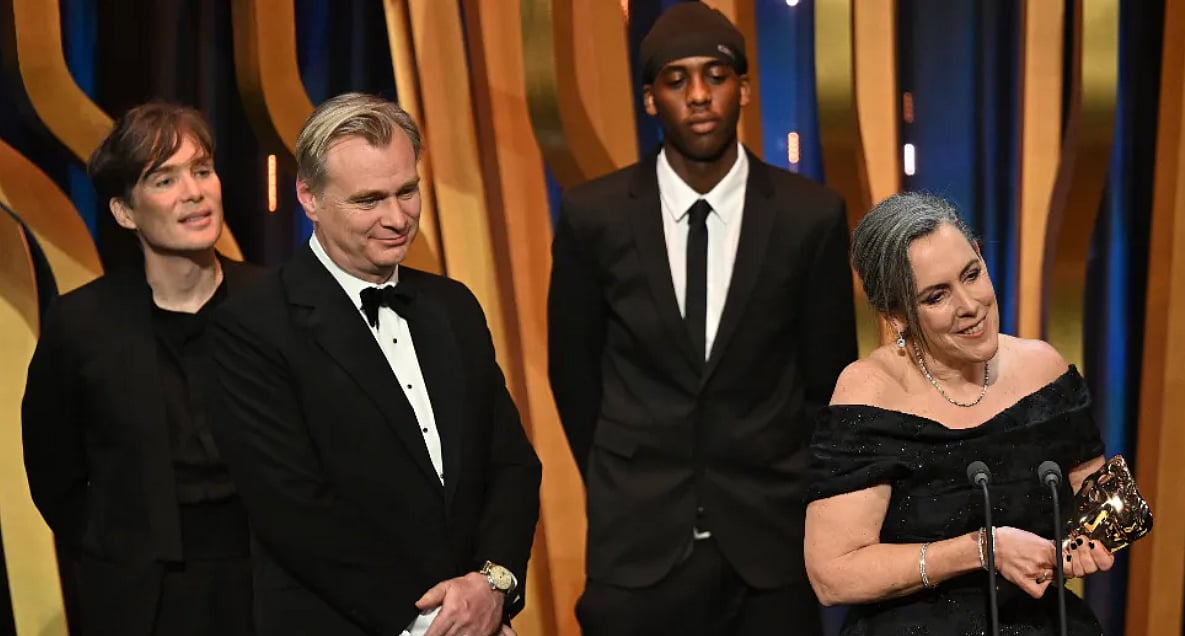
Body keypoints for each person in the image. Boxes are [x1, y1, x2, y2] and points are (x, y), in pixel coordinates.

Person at [547, 4, 857, 634]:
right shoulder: (593, 215)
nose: (697, 95)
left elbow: (828, 381)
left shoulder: (810, 216)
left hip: (770, 544)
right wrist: (620, 481)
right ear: (649, 98)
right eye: (676, 79)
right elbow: (573, 373)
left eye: (715, 76)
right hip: (636, 544)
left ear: (743, 89)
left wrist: (796, 490)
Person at [207, 92, 540, 636]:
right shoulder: (251, 328)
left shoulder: (453, 306)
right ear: (309, 197)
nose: (397, 218)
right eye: (369, 200)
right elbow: (295, 512)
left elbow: (511, 464)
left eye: (407, 191)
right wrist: (434, 624)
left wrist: (493, 584)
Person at [804, 192, 1114, 634]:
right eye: (936, 296)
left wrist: (1082, 543)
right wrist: (982, 550)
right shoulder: (869, 393)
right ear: (896, 315)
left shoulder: (1042, 369)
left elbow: (1097, 504)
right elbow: (833, 575)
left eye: (972, 274)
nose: (969, 305)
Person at [22, 102, 262, 636]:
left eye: (202, 170)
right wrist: (116, 548)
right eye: (164, 179)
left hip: (269, 592)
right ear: (125, 212)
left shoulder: (276, 306)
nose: (194, 192)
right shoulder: (82, 324)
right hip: (142, 601)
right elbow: (54, 472)